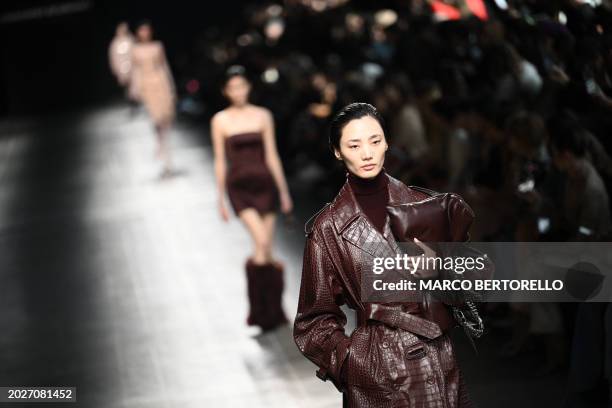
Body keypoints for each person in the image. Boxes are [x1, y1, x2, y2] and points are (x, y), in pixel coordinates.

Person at [293, 102, 493, 407]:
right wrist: (352, 364)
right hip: (374, 372)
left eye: (375, 141)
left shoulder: (426, 206)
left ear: (387, 141)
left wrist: (440, 268)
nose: (367, 153)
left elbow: (480, 279)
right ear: (337, 151)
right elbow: (313, 320)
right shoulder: (329, 228)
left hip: (437, 364)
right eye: (354, 145)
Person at [211, 66, 293, 331]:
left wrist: (283, 191)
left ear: (248, 88)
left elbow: (272, 155)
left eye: (242, 86)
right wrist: (220, 198)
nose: (238, 91)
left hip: (265, 185)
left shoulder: (263, 116)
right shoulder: (220, 120)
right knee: (261, 241)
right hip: (240, 189)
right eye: (233, 87)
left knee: (264, 247)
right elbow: (220, 161)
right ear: (226, 91)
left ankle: (268, 312)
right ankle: (264, 309)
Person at [130, 20, 176, 176]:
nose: (145, 33)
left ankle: (164, 144)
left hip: (160, 82)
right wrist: (135, 88)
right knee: (156, 117)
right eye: (142, 30)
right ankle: (160, 143)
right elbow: (135, 70)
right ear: (137, 33)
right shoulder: (135, 49)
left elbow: (164, 66)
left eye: (147, 30)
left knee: (165, 116)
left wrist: (171, 86)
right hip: (147, 85)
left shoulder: (158, 46)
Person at [108, 22, 134, 90]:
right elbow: (113, 57)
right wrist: (115, 69)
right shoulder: (114, 43)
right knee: (126, 85)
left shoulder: (130, 39)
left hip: (132, 65)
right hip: (121, 67)